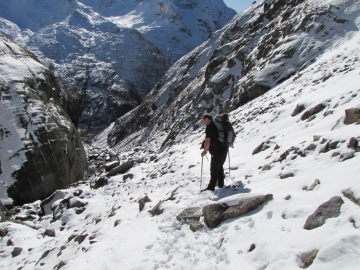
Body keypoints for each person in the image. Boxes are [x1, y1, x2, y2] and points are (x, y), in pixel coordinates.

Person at [200, 113, 229, 192]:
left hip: (217, 150)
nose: (202, 122)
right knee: (220, 166)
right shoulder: (217, 125)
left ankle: (211, 187)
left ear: (207, 119)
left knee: (214, 169)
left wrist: (204, 152)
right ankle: (221, 184)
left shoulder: (209, 128)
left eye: (203, 120)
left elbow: (207, 143)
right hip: (224, 148)